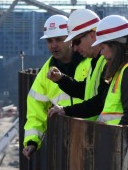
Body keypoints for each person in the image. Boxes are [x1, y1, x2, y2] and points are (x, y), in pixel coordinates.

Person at [22, 14, 89, 159]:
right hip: (65, 143)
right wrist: (32, 141)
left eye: (59, 39)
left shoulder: (91, 63)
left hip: (94, 136)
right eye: (49, 41)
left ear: (71, 39)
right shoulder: (45, 74)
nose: (53, 45)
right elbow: (35, 112)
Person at [47, 9, 108, 120]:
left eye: (77, 42)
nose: (74, 48)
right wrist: (61, 79)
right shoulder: (97, 61)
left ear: (92, 35)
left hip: (110, 133)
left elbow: (100, 102)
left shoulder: (107, 61)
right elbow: (84, 90)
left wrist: (66, 111)